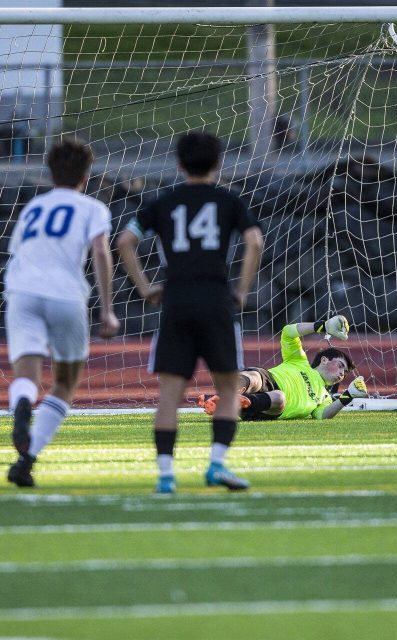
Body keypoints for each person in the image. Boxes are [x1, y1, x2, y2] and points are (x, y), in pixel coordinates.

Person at [116, 130, 264, 494]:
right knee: (228, 389)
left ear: (179, 164)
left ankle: (166, 475)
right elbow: (255, 241)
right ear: (217, 163)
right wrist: (241, 290)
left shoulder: (162, 202)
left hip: (176, 302)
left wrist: (146, 287)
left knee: (170, 394)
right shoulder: (228, 200)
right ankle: (216, 465)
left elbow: (124, 241)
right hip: (215, 300)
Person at [4, 137, 120, 487]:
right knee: (65, 383)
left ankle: (22, 404)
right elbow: (100, 252)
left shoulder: (33, 207)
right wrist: (107, 308)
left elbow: (17, 252)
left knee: (27, 372)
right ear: (87, 175)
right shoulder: (93, 208)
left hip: (22, 290)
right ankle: (28, 458)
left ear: (50, 173)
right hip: (65, 295)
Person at [198, 316, 369, 421]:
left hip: (267, 408)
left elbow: (322, 415)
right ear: (324, 360)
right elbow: (288, 332)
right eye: (340, 366)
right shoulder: (299, 360)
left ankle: (233, 402)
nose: (341, 373)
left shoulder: (325, 398)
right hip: (268, 379)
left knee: (279, 397)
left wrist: (348, 396)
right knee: (255, 377)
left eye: (344, 372)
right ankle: (223, 398)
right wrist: (323, 325)